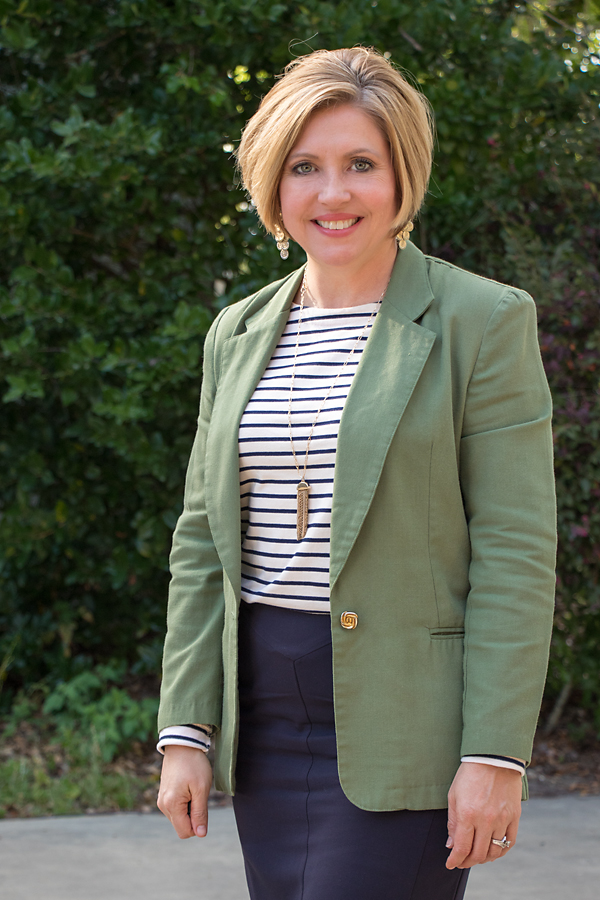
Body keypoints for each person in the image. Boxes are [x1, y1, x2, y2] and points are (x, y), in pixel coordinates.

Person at [156, 47, 557, 900]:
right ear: (273, 182)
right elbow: (201, 540)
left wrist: (495, 753)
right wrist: (186, 727)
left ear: (402, 176)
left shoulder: (482, 319)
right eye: (305, 166)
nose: (332, 193)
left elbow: (516, 552)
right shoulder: (236, 332)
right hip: (266, 719)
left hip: (408, 722)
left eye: (361, 164)